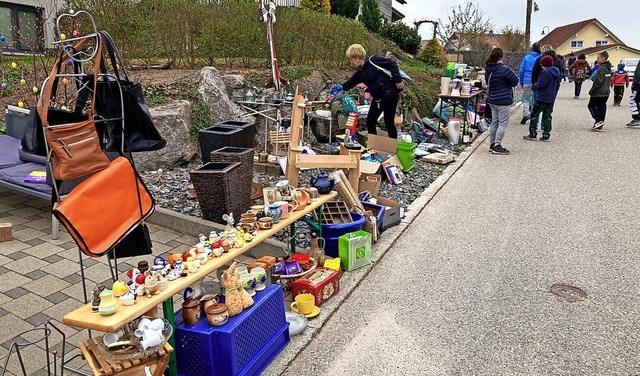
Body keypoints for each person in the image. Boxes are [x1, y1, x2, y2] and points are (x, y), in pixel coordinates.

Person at [341, 44, 404, 139]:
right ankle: (373, 146)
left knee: (388, 122)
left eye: (351, 59)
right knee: (370, 120)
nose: (351, 62)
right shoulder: (360, 72)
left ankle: (392, 148)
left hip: (389, 94)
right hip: (378, 98)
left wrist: (398, 79)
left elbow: (392, 63)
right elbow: (350, 83)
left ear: (357, 58)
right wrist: (336, 92)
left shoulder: (374, 60)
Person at [484, 47, 519, 155]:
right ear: (501, 57)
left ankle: (492, 143)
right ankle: (497, 145)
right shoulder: (505, 69)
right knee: (503, 123)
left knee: (494, 122)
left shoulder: (488, 68)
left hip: (492, 100)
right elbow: (515, 82)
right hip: (503, 101)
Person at [523, 55, 561, 141]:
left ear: (545, 64)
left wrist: (535, 86)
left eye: (542, 64)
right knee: (547, 115)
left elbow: (541, 85)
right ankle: (546, 134)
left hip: (542, 98)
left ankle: (532, 133)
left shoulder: (545, 73)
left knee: (534, 114)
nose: (541, 66)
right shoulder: (557, 72)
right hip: (551, 98)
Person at [588, 51, 613, 132]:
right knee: (601, 107)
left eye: (598, 58)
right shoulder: (608, 68)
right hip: (606, 91)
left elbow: (598, 81)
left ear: (603, 58)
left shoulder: (601, 69)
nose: (597, 60)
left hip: (599, 92)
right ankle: (599, 124)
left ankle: (598, 120)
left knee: (591, 105)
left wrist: (592, 90)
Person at [518, 42, 541, 124]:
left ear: (532, 48)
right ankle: (535, 116)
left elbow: (521, 70)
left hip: (527, 80)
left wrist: (521, 81)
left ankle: (526, 114)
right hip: (537, 81)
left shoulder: (526, 58)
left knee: (526, 99)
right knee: (536, 100)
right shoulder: (541, 58)